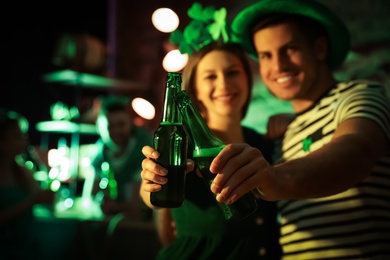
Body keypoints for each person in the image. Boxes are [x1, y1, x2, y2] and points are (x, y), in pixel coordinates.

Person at [201, 0, 390, 259]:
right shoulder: (283, 132)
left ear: (320, 48)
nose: (278, 66)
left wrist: (274, 178)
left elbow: (356, 150)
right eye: (266, 55)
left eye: (289, 49)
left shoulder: (360, 96)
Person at [140, 3, 294, 259]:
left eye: (233, 72)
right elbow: (149, 193)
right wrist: (151, 181)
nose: (224, 84)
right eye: (210, 76)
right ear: (194, 90)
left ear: (247, 79)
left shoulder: (265, 144)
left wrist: (294, 121)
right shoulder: (180, 144)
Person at [0, 108, 56, 259]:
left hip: (27, 250)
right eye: (17, 136)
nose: (24, 140)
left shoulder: (22, 170)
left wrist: (48, 171)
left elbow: (47, 202)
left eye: (24, 135)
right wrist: (32, 202)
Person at [91, 95, 153, 220]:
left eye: (121, 124)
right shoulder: (99, 153)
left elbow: (139, 205)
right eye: (110, 126)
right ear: (100, 128)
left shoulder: (143, 151)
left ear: (130, 124)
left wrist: (114, 207)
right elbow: (90, 196)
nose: (116, 131)